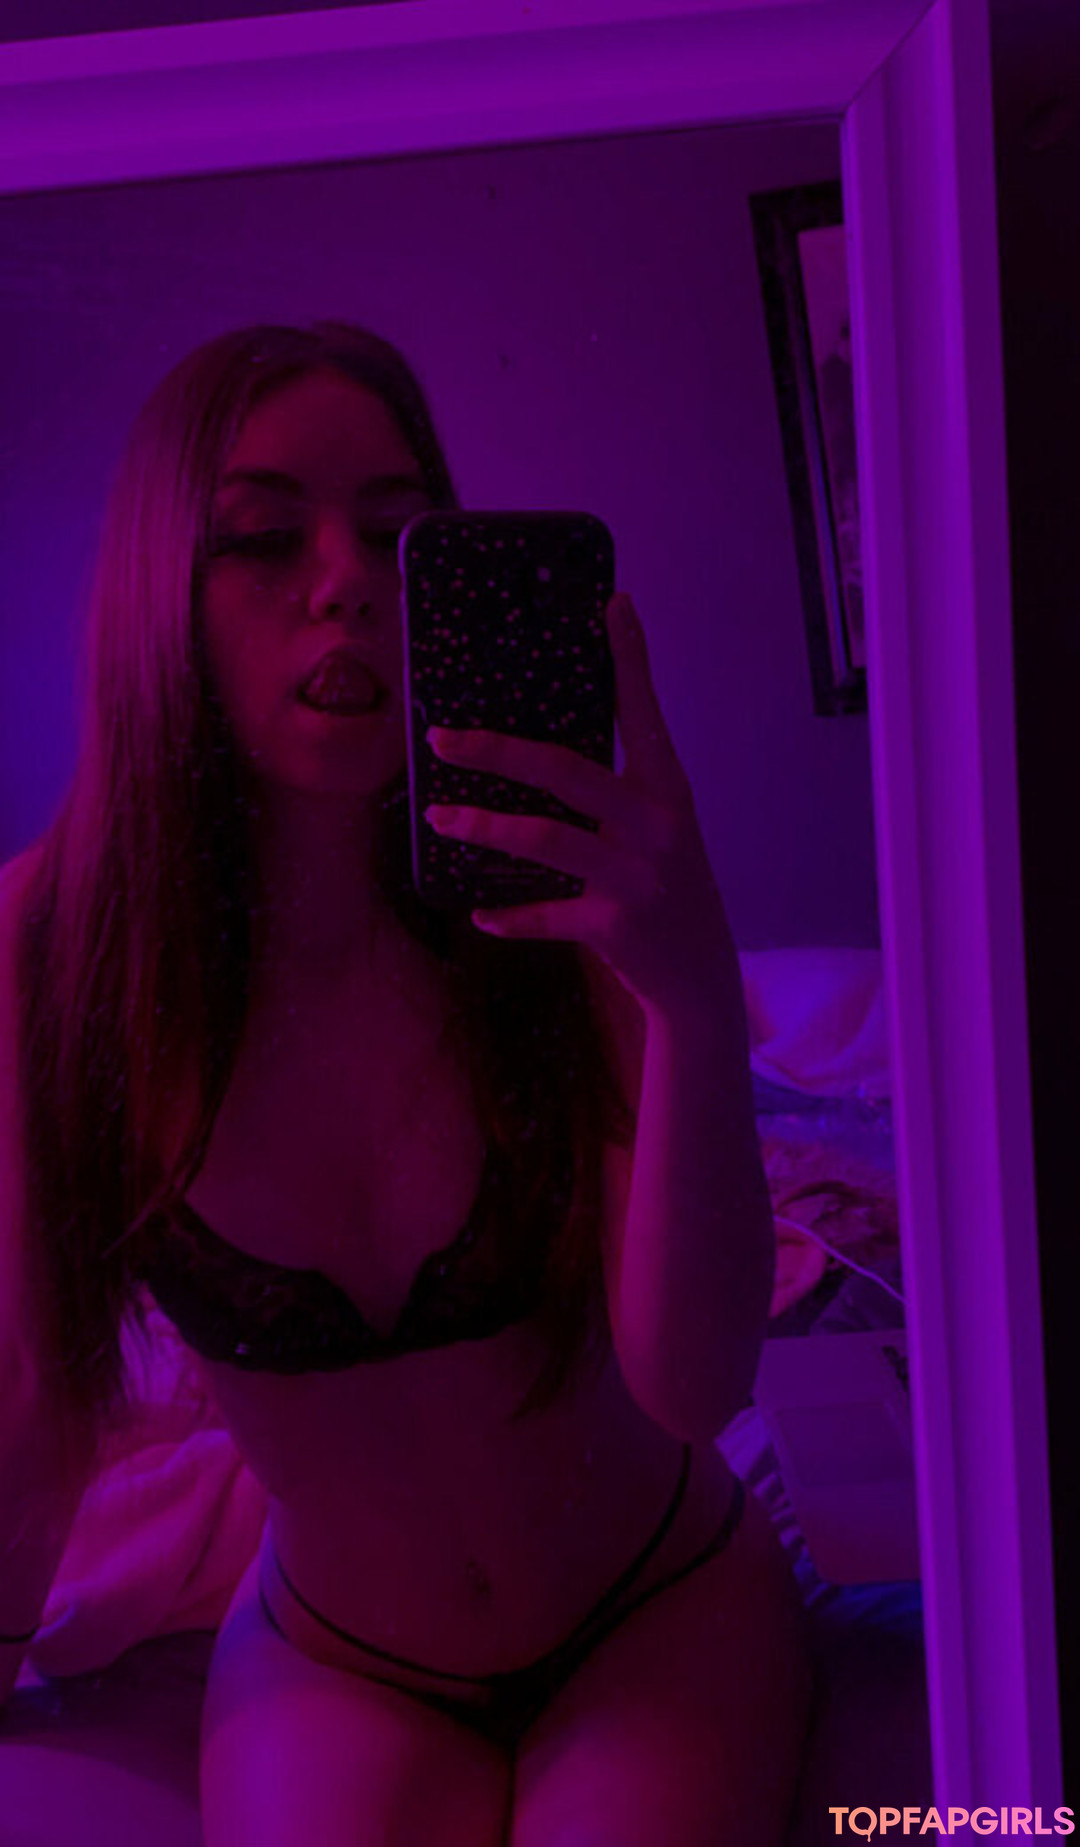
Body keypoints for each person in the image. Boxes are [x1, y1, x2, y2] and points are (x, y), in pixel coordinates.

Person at [0, 321, 813, 1846]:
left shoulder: (549, 893)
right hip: (336, 1662)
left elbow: (698, 1385)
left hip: (656, 1604)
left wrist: (694, 998)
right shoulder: (50, 955)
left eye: (396, 532)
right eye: (261, 536)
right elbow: (35, 1399)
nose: (346, 581)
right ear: (157, 586)